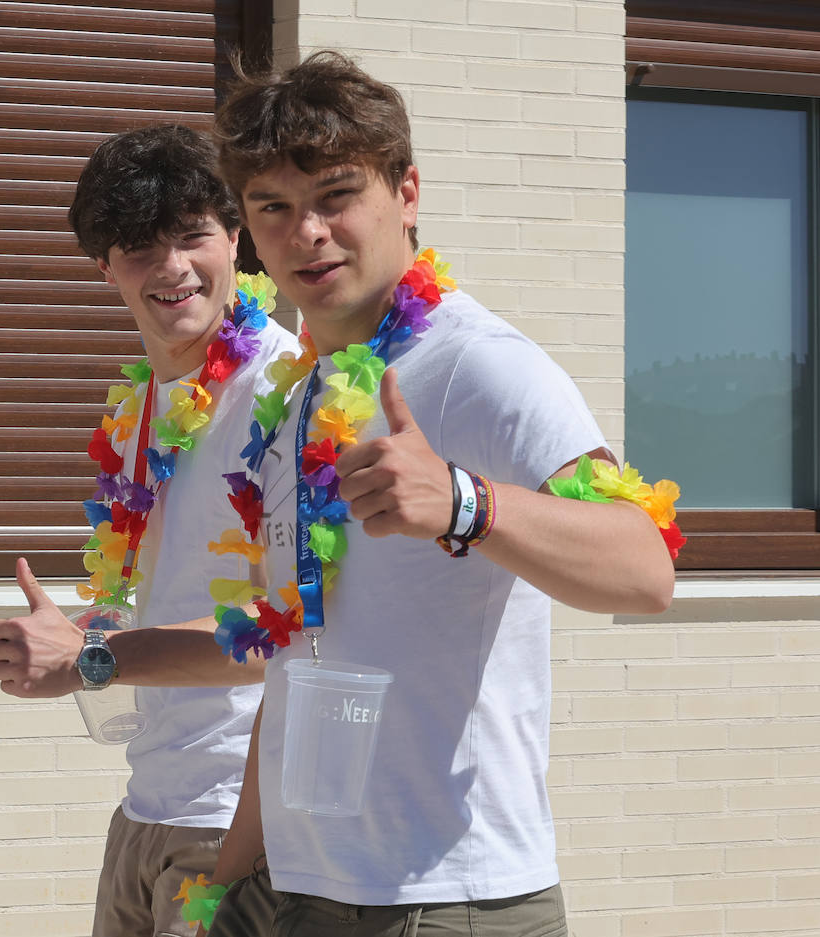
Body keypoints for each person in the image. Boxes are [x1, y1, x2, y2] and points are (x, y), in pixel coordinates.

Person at [201, 52, 680, 935]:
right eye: (274, 207)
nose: (307, 232)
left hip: (447, 898)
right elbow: (298, 654)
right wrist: (219, 892)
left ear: (407, 192)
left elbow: (643, 563)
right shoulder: (300, 394)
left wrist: (467, 501)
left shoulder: (481, 366)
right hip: (303, 889)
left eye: (336, 195)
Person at [0, 124, 299, 937]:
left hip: (240, 816)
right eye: (139, 247)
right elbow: (176, 596)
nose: (172, 268)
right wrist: (76, 635)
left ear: (235, 237)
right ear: (104, 265)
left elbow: (279, 630)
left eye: (193, 235)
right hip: (145, 807)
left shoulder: (291, 394)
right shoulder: (139, 409)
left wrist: (91, 660)